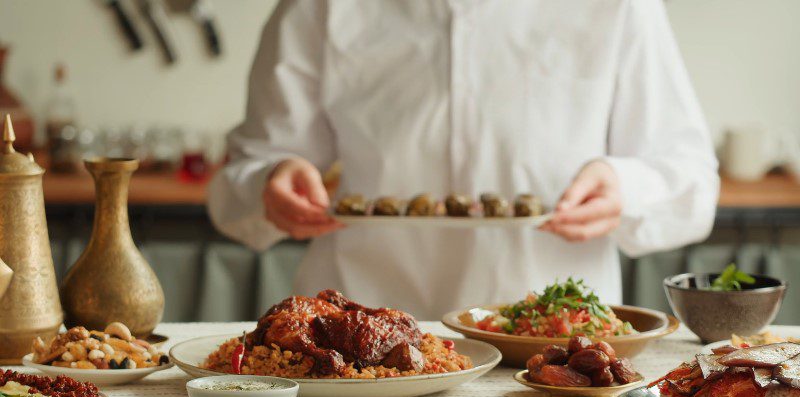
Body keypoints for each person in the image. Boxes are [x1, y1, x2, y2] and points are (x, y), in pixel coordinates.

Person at [208, 0, 719, 319]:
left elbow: (691, 177)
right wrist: (270, 181)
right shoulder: (318, 5)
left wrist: (624, 185)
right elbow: (244, 176)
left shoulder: (620, 5)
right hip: (354, 335)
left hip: (551, 343)